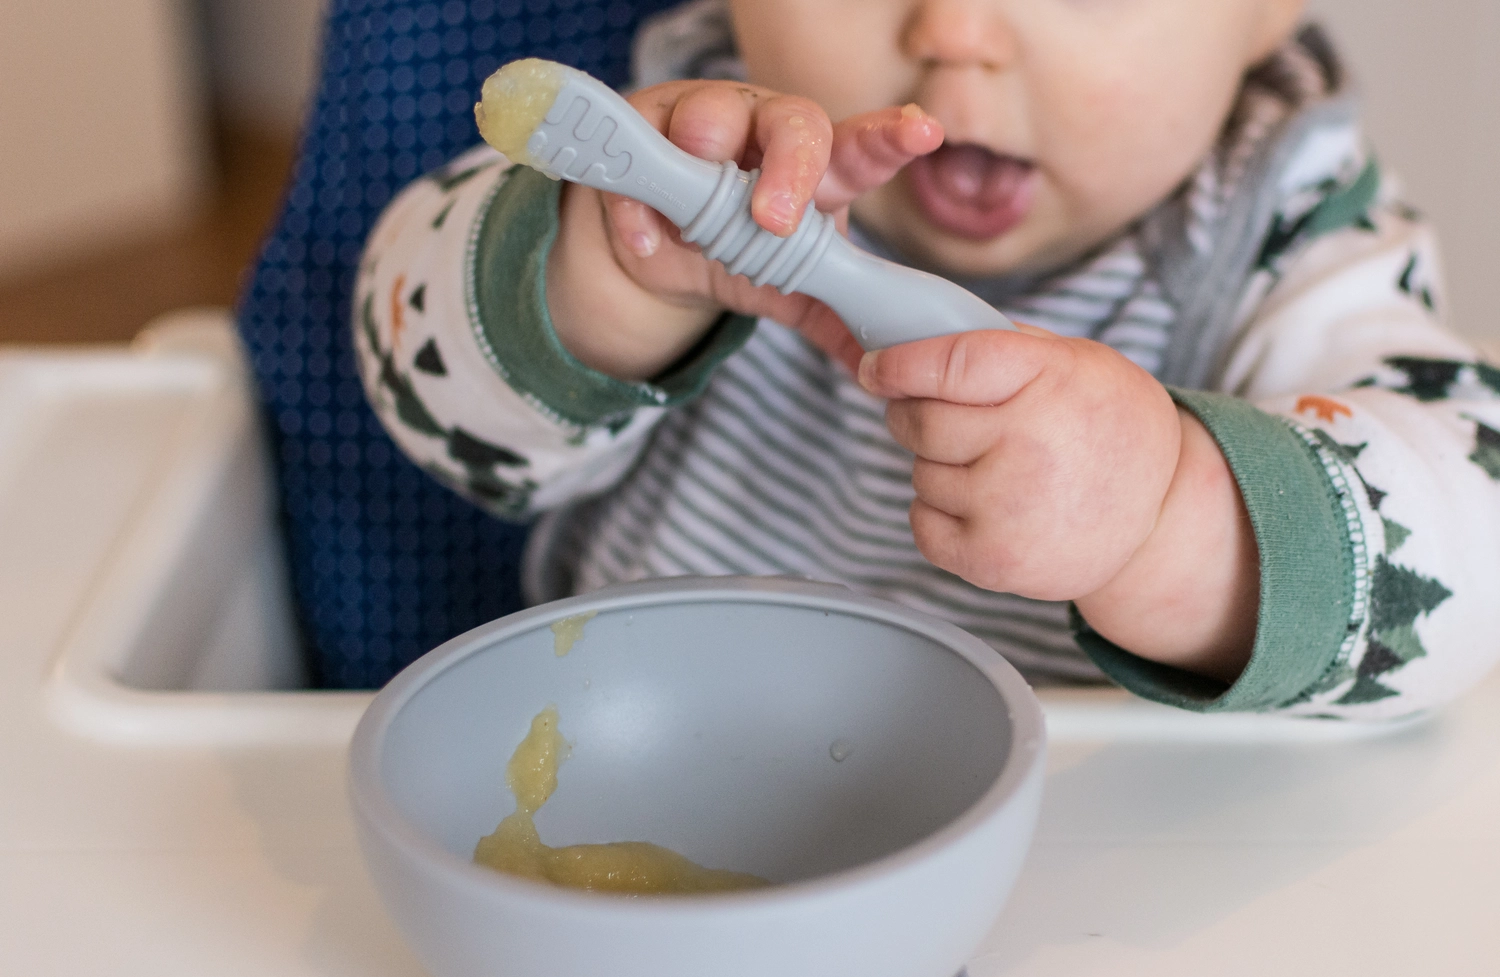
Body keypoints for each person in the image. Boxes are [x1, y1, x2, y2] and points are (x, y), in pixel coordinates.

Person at [353, 0, 1500, 718]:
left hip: (1092, 888)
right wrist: (610, 274)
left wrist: (1170, 516)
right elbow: (412, 366)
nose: (952, 27)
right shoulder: (680, 152)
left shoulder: (1293, 235)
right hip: (635, 802)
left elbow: (1469, 533)